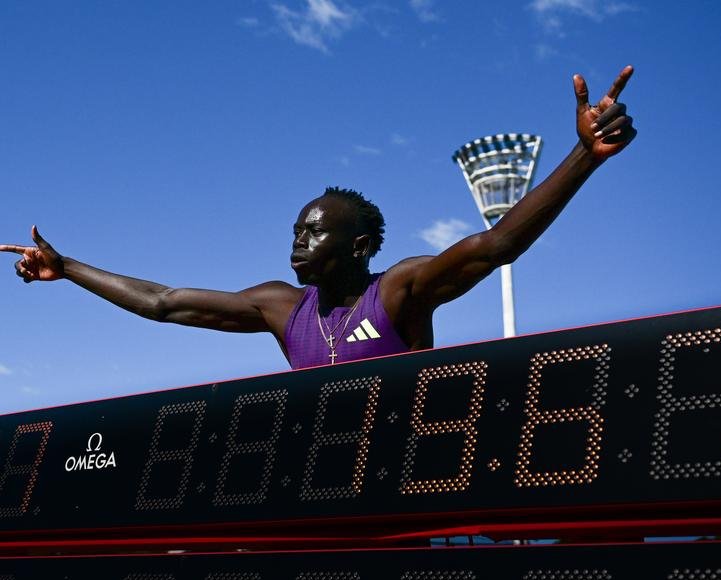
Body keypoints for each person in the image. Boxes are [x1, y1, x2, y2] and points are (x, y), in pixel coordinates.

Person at [1, 67, 637, 370]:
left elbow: (496, 244)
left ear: (358, 245)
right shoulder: (282, 309)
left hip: (407, 506)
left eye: (314, 230)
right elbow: (165, 302)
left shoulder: (400, 289)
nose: (298, 240)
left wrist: (584, 156)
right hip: (327, 511)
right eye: (296, 230)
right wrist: (69, 267)